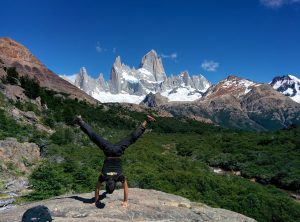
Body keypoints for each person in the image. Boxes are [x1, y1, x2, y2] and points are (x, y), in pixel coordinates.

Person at [73, 115, 156, 208]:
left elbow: (125, 188)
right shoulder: (103, 176)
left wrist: (125, 201)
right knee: (94, 136)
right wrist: (96, 201)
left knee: (132, 138)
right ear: (106, 184)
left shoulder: (119, 176)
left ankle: (146, 122)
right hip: (107, 150)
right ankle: (80, 122)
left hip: (118, 151)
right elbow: (97, 188)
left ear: (115, 184)